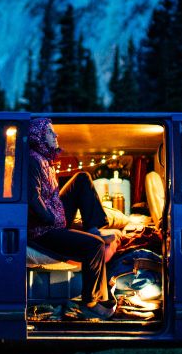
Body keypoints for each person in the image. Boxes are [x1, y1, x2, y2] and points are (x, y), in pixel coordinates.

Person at [27, 117, 116, 319]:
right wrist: (51, 219)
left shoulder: (44, 160)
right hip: (44, 231)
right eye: (50, 131)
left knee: (81, 178)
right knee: (94, 246)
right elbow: (33, 199)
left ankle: (94, 226)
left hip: (54, 218)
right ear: (39, 136)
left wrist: (57, 214)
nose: (55, 135)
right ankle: (91, 302)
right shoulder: (33, 160)